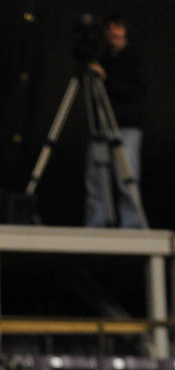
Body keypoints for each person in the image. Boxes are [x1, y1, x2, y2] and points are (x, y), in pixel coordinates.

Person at [84, 13, 145, 229]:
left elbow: (135, 91)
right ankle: (95, 223)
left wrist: (106, 77)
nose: (114, 33)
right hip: (102, 124)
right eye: (110, 29)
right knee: (95, 178)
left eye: (118, 28)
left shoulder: (134, 58)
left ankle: (132, 225)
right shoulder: (103, 58)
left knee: (126, 177)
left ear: (125, 30)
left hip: (126, 126)